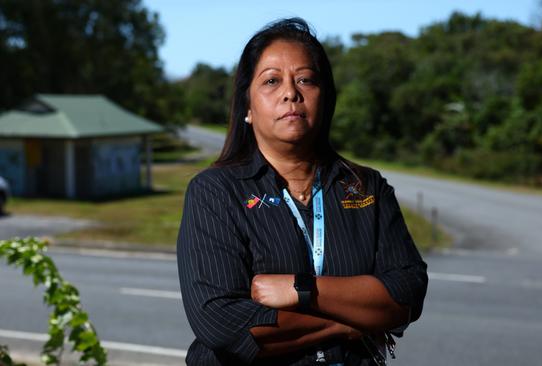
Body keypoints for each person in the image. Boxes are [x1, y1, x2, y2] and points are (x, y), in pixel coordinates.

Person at [177, 18, 428, 366]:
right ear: (247, 108)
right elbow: (222, 324)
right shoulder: (215, 191)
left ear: (324, 96)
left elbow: (407, 293)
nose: (290, 93)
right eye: (271, 81)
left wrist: (300, 288)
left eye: (305, 79)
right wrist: (350, 321)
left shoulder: (366, 187)